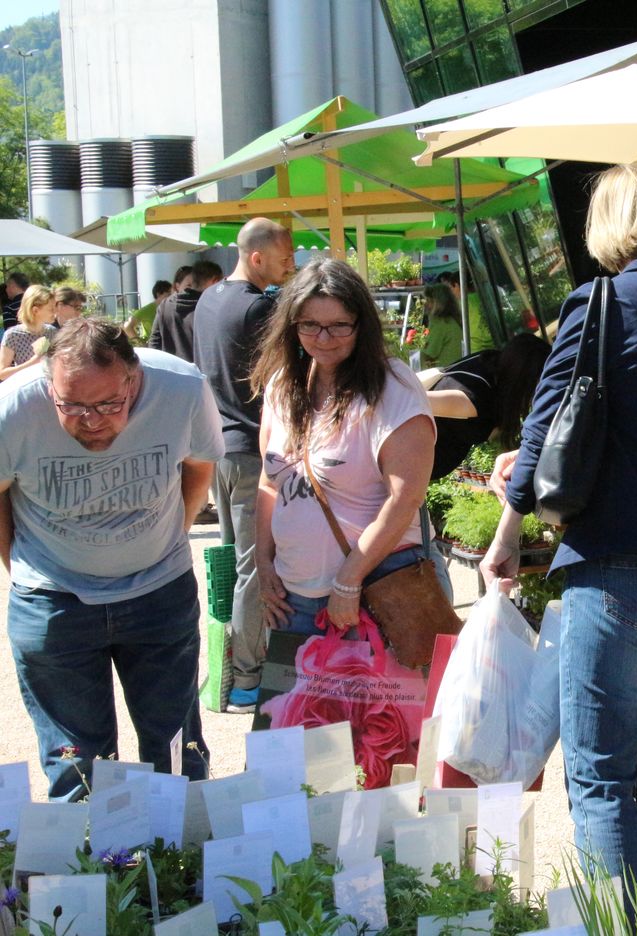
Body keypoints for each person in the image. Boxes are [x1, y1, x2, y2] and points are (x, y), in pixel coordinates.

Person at [481, 163, 637, 916]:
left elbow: (543, 427)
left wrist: (508, 529)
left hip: (617, 562)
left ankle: (625, 934)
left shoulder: (598, 302)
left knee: (599, 781)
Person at [0, 318, 222, 799]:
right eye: (71, 405)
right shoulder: (13, 407)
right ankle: (95, 868)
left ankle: (182, 865)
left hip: (159, 592)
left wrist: (171, 537)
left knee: (176, 756)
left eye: (108, 404)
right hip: (53, 601)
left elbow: (198, 466)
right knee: (78, 769)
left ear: (133, 377)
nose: (92, 419)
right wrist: (22, 570)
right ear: (47, 381)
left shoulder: (182, 389)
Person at [252, 257, 441, 637]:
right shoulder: (282, 386)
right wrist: (263, 560)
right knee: (295, 699)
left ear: (362, 325)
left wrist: (348, 579)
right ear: (292, 326)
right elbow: (271, 482)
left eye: (339, 325)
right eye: (309, 325)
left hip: (378, 591)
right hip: (294, 599)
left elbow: (405, 499)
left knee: (385, 699)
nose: (324, 338)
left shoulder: (393, 387)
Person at [193, 220, 294, 713]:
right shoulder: (260, 307)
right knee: (256, 569)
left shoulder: (208, 299)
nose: (289, 266)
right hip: (254, 452)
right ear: (257, 258)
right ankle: (249, 680)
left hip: (218, 451)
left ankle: (229, 668)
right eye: (283, 258)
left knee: (234, 563)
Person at [423, 333, 551, 481]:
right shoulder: (473, 397)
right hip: (405, 469)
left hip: (416, 473)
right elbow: (412, 401)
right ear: (524, 382)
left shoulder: (492, 364)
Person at [149, 260, 224, 362]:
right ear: (214, 281)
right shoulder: (210, 307)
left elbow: (154, 344)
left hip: (170, 372)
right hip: (200, 375)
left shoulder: (165, 306)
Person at [0, 285, 57, 381]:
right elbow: (2, 373)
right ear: (35, 310)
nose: (55, 312)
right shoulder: (13, 335)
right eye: (51, 309)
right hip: (25, 391)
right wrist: (32, 363)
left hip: (49, 391)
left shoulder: (53, 332)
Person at [438, 270, 492, 353]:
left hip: (476, 350)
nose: (451, 292)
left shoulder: (462, 303)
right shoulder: (487, 296)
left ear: (456, 285)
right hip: (493, 345)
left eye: (451, 288)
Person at [419, 282, 464, 369]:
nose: (426, 304)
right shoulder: (452, 320)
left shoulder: (440, 323)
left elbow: (430, 353)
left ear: (437, 303)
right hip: (454, 370)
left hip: (445, 374)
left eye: (428, 301)